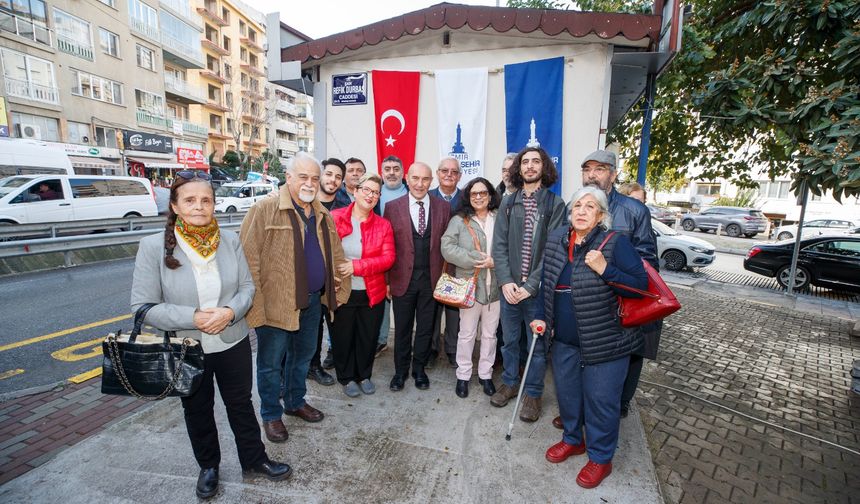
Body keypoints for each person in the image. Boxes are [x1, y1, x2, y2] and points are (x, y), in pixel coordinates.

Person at [131, 171, 291, 499]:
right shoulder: (152, 247)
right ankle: (209, 467)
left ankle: (254, 459)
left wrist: (230, 312)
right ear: (174, 205)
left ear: (214, 204)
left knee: (241, 404)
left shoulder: (230, 240)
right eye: (189, 200)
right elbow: (143, 306)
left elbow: (247, 287)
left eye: (206, 200)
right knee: (197, 409)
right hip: (187, 346)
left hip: (231, 338)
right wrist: (194, 317)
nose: (199, 207)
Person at [532, 186, 647, 489]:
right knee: (568, 395)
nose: (581, 211)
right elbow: (544, 280)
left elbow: (640, 287)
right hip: (564, 339)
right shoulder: (557, 238)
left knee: (601, 402)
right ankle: (573, 439)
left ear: (601, 215)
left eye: (590, 206)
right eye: (577, 206)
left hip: (607, 341)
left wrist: (606, 270)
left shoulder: (615, 243)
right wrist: (539, 314)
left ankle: (600, 457)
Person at [240, 152, 350, 443]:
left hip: (313, 300)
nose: (310, 183)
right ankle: (270, 415)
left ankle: (295, 401)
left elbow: (335, 252)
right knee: (270, 362)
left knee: (301, 358)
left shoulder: (322, 213)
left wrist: (339, 279)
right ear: (288, 177)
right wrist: (256, 305)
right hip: (276, 302)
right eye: (303, 176)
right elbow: (247, 260)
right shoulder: (265, 209)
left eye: (315, 178)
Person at [580, 150, 658, 421]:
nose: (592, 174)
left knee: (622, 361)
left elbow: (648, 262)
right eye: (587, 169)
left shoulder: (634, 210)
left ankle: (617, 409)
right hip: (588, 302)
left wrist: (612, 273)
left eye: (599, 169)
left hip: (621, 300)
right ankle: (580, 411)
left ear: (613, 174)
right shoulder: (577, 205)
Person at [490, 146, 566, 422]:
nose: (530, 166)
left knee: (536, 345)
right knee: (509, 342)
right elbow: (498, 246)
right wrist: (507, 282)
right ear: (518, 169)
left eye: (536, 162)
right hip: (510, 290)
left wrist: (531, 285)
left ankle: (533, 393)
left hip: (537, 291)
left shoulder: (555, 205)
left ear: (544, 167)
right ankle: (510, 383)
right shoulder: (508, 203)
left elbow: (554, 250)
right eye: (525, 162)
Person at [383, 162, 451, 391]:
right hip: (402, 279)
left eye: (425, 179)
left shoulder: (443, 207)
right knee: (401, 328)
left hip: (432, 280)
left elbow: (447, 246)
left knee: (425, 328)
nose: (420, 184)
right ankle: (400, 372)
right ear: (407, 179)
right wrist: (387, 281)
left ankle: (419, 369)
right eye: (415, 178)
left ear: (431, 181)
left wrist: (446, 279)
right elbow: (387, 245)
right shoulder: (392, 207)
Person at [330, 173, 395, 397]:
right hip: (342, 291)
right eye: (366, 190)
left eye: (375, 192)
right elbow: (324, 252)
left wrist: (357, 266)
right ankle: (346, 377)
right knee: (342, 337)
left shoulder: (383, 225)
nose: (370, 195)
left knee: (367, 337)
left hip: (371, 292)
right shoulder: (334, 217)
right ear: (355, 191)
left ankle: (364, 375)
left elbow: (388, 259)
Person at [441, 177, 500, 398]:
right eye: (474, 194)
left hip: (495, 286)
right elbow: (447, 247)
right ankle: (463, 375)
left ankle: (485, 374)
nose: (478, 197)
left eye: (483, 193)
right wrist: (474, 258)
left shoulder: (500, 218)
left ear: (490, 195)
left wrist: (495, 262)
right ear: (468, 197)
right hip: (469, 286)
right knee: (466, 334)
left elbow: (508, 247)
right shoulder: (459, 220)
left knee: (490, 335)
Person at [313, 157, 350, 384]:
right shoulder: (305, 203)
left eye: (338, 177)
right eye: (329, 174)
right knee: (311, 327)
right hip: (310, 275)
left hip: (335, 275)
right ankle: (312, 365)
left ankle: (335, 359)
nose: (333, 180)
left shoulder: (345, 207)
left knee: (335, 322)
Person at [429, 157, 463, 368]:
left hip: (458, 264)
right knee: (431, 308)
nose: (449, 174)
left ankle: (452, 348)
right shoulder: (427, 196)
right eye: (444, 171)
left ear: (459, 176)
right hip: (431, 262)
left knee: (454, 310)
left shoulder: (467, 199)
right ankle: (431, 349)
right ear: (438, 173)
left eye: (454, 171)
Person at [375, 155, 408, 357]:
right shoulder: (373, 194)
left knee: (404, 303)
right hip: (380, 257)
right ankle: (380, 340)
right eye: (387, 169)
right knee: (382, 300)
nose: (392, 172)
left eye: (396, 168)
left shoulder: (413, 192)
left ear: (403, 172)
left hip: (406, 258)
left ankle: (405, 345)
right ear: (381, 172)